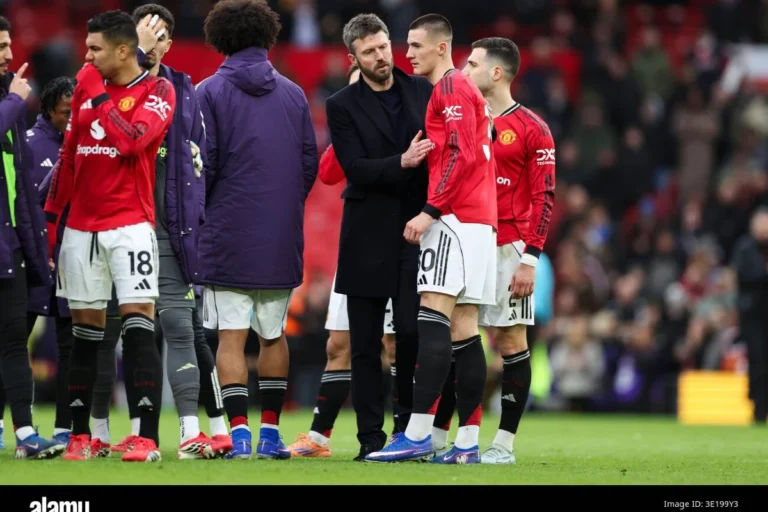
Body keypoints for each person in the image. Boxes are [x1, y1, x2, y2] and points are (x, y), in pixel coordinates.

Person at [88, 3, 231, 460]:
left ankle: (202, 429)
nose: (158, 41)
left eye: (163, 35)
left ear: (171, 42)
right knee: (107, 329)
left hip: (167, 224)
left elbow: (198, 160)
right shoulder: (105, 82)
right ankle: (97, 431)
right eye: (148, 34)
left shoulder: (184, 89)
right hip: (114, 220)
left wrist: (191, 218)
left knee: (179, 322)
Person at [43, 10, 176, 462]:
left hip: (131, 224)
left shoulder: (158, 90)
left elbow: (133, 142)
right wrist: (51, 224)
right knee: (84, 333)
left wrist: (98, 94)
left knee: (139, 325)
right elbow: (70, 156)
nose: (87, 55)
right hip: (81, 228)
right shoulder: (85, 85)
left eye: (96, 48)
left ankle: (146, 437)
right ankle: (82, 436)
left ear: (123, 51)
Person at [366, 14, 497, 464]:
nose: (408, 54)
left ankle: (418, 433)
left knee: (432, 315)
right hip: (480, 221)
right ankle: (464, 444)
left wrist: (429, 211)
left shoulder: (449, 88)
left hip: (456, 219)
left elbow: (460, 152)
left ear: (442, 47)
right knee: (465, 329)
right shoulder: (467, 90)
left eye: (416, 46)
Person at [196, 0, 318, 460]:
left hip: (227, 231)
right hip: (278, 232)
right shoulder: (293, 93)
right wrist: (281, 209)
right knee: (273, 335)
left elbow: (200, 167)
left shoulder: (207, 92)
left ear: (220, 37)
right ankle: (271, 434)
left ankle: (239, 434)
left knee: (230, 336)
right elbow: (308, 163)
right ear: (268, 35)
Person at [325, 13, 434, 461]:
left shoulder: (422, 91)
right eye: (369, 52)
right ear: (353, 56)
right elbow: (354, 168)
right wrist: (403, 162)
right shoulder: (341, 105)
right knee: (365, 345)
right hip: (366, 232)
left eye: (384, 47)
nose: (381, 57)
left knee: (410, 332)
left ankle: (406, 429)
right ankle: (370, 437)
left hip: (414, 229)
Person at [287, 63, 399, 457]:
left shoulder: (401, 125)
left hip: (395, 249)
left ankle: (406, 434)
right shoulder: (349, 137)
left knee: (393, 345)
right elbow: (329, 174)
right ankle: (319, 437)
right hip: (353, 253)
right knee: (338, 344)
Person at [462, 37, 555, 464]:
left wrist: (530, 259)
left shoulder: (534, 129)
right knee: (454, 339)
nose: (464, 70)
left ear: (496, 73)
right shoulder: (462, 119)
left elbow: (545, 198)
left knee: (510, 340)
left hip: (507, 248)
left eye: (473, 63)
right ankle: (458, 437)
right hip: (464, 241)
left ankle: (503, 444)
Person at [0, 15, 65, 459]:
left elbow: (22, 190)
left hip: (8, 248)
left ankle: (24, 434)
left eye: (8, 44)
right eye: (0, 45)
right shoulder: (12, 107)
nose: (8, 54)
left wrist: (34, 250)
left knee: (11, 344)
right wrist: (12, 104)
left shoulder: (9, 106)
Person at [732, 207, 768, 424]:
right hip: (753, 316)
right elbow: (746, 275)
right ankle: (758, 408)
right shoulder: (745, 248)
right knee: (757, 362)